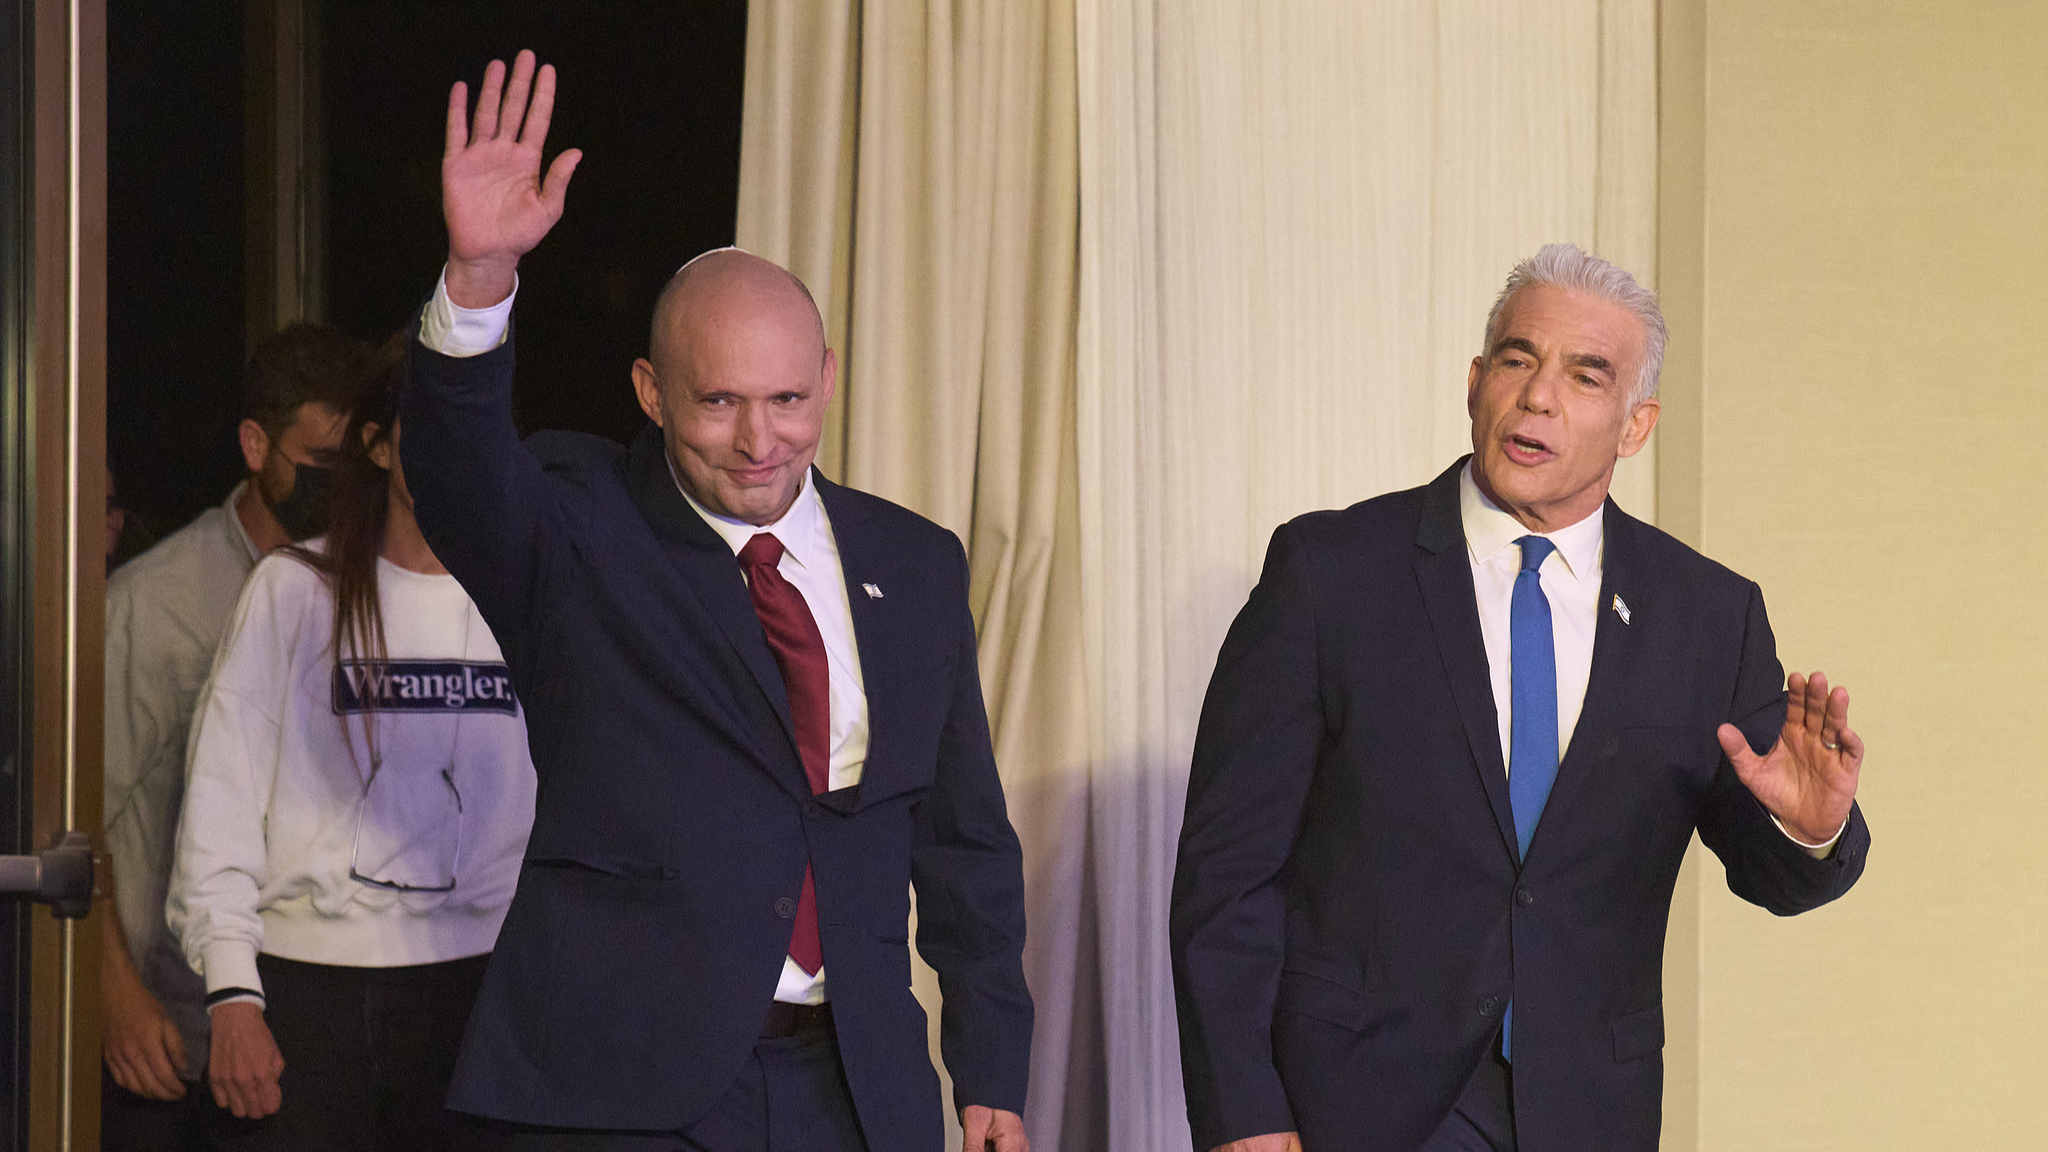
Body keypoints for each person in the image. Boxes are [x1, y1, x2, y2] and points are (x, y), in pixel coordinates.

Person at [396, 52, 1033, 1152]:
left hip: (855, 1087)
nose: (758, 440)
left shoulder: (915, 563)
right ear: (649, 392)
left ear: (827, 379)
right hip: (617, 1090)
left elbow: (964, 841)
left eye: (787, 399)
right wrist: (477, 280)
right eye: (720, 402)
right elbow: (457, 477)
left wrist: (990, 1073)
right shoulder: (583, 525)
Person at [1170, 243, 1872, 1152]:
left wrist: (1807, 827)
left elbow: (1772, 873)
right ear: (1475, 383)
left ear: (1635, 425)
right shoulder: (1332, 575)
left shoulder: (1706, 616)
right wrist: (1243, 1117)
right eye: (1517, 360)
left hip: (1584, 1111)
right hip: (1355, 1104)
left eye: (1586, 376)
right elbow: (1228, 875)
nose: (1538, 396)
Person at [167, 345, 538, 1151]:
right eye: (431, 427)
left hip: (476, 991)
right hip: (309, 994)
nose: (457, 450)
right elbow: (221, 801)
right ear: (377, 443)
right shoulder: (295, 588)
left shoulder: (529, 598)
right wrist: (232, 992)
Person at [101, 323, 370, 1150]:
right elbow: (71, 811)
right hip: (173, 1029)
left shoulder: (367, 587)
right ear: (256, 445)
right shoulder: (156, 603)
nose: (338, 488)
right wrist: (113, 995)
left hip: (310, 1030)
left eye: (352, 468)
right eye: (319, 467)